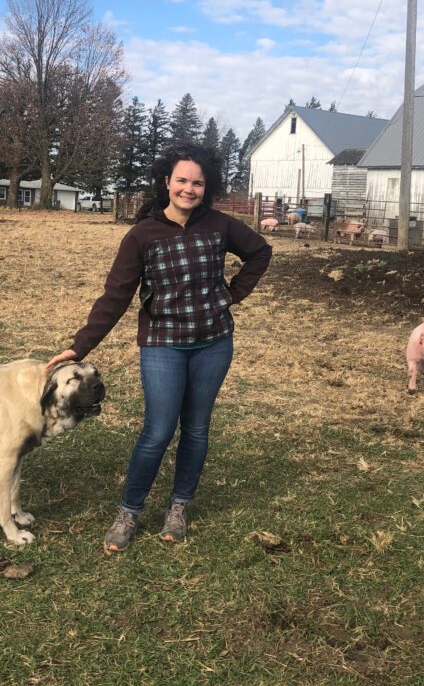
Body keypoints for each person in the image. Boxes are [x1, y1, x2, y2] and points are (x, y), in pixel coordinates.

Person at [47, 143, 272, 552]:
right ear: (166, 182)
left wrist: (232, 295)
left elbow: (260, 252)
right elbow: (115, 295)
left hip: (213, 344)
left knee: (197, 428)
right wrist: (79, 347)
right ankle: (129, 511)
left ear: (207, 187)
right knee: (158, 430)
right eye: (182, 180)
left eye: (198, 182)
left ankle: (179, 507)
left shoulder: (220, 226)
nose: (189, 189)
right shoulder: (143, 235)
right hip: (163, 345)